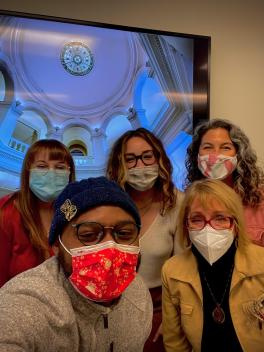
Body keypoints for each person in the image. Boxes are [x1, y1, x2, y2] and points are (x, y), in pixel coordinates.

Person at [0, 176, 152, 352]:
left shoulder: (139, 293)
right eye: (88, 235)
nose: (109, 249)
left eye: (124, 233)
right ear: (57, 245)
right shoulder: (29, 302)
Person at [162, 179, 264, 352]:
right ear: (186, 225)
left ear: (235, 224)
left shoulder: (261, 262)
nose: (208, 229)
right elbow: (175, 343)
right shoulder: (172, 271)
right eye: (196, 219)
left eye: (220, 218)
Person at [106, 127, 184, 351]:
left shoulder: (177, 203)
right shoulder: (109, 203)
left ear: (159, 159)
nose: (140, 166)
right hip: (111, 307)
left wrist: (174, 316)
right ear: (120, 164)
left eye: (147, 156)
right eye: (130, 159)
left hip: (159, 308)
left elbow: (183, 268)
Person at [0, 139, 75, 287]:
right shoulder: (6, 211)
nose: (51, 174)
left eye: (60, 167)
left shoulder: (73, 212)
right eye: (41, 166)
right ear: (28, 171)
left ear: (69, 173)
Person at [185, 118, 264, 246]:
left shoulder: (260, 199)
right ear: (197, 155)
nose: (215, 155)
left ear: (238, 155)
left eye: (225, 148)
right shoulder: (189, 201)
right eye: (207, 147)